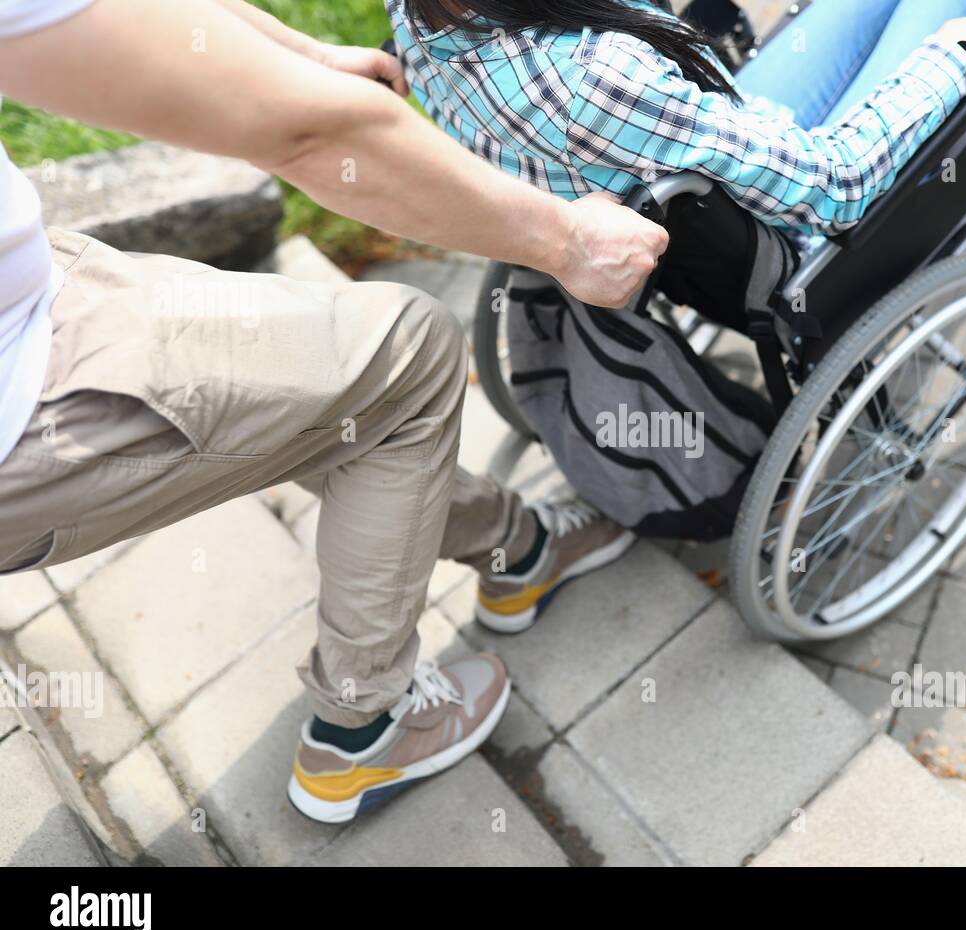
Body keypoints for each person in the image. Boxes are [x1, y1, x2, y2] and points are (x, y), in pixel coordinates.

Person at [0, 0, 668, 824]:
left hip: (43, 302)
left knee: (331, 392)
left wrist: (297, 50)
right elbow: (310, 138)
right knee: (412, 353)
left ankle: (516, 552)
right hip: (31, 398)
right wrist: (568, 242)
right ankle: (360, 731)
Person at [388, 0, 966, 238]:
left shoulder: (423, 14)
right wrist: (959, 52)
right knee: (960, 14)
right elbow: (835, 183)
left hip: (691, 144)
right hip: (793, 207)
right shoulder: (596, 76)